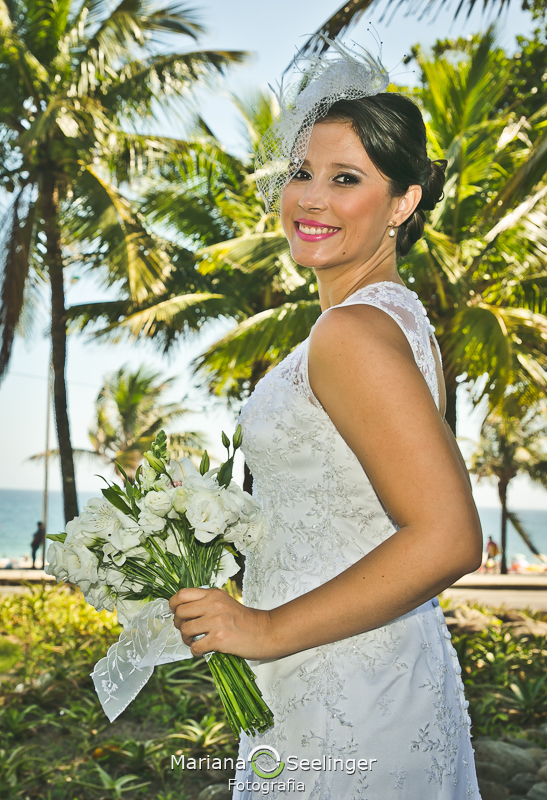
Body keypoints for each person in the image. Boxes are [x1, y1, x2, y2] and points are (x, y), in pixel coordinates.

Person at [169, 38, 484, 799]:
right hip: (367, 667)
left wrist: (266, 628)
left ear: (402, 202)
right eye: (299, 172)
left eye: (346, 178)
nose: (309, 198)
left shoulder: (351, 334)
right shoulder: (398, 321)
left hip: (342, 684)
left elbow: (447, 536)